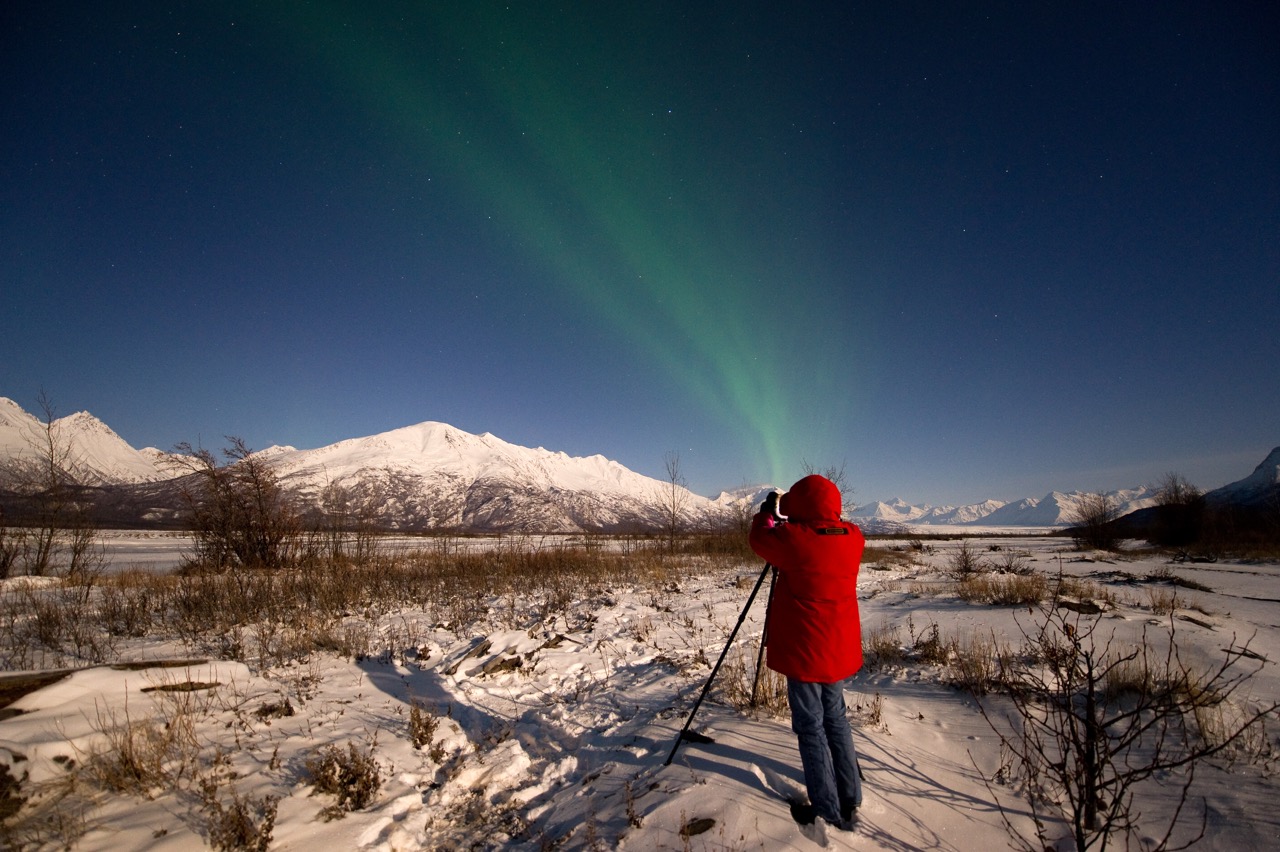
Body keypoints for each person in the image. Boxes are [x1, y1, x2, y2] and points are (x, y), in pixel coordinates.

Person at [749, 474, 865, 830]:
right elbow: (815, 531)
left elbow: (759, 539)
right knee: (837, 720)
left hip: (805, 652)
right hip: (838, 649)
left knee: (811, 727)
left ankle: (826, 810)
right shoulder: (854, 537)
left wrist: (768, 511)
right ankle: (852, 799)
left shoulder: (794, 540)